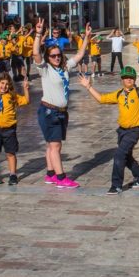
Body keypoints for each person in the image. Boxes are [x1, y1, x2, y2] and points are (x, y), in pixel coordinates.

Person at [32, 18, 90, 188]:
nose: (57, 58)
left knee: (52, 145)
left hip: (61, 111)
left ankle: (50, 174)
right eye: (53, 56)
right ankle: (61, 177)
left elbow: (79, 55)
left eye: (58, 55)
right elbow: (36, 53)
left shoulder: (64, 68)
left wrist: (86, 37)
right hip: (49, 112)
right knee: (56, 146)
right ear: (48, 58)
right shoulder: (45, 69)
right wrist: (38, 33)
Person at [79, 66, 139, 194]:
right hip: (122, 130)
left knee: (119, 155)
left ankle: (116, 185)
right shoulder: (119, 94)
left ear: (134, 79)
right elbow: (101, 99)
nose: (129, 80)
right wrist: (88, 87)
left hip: (135, 130)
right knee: (127, 156)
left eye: (131, 77)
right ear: (122, 80)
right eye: (126, 77)